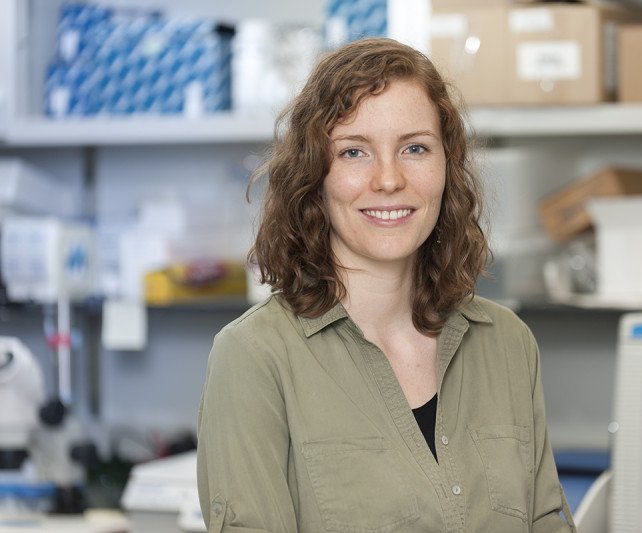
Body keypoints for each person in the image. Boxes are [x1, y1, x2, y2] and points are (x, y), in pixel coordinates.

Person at [196, 37, 575, 533]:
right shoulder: (254, 357)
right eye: (354, 152)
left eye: (415, 148)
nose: (389, 179)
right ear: (314, 174)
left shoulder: (506, 343)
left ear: (447, 165)